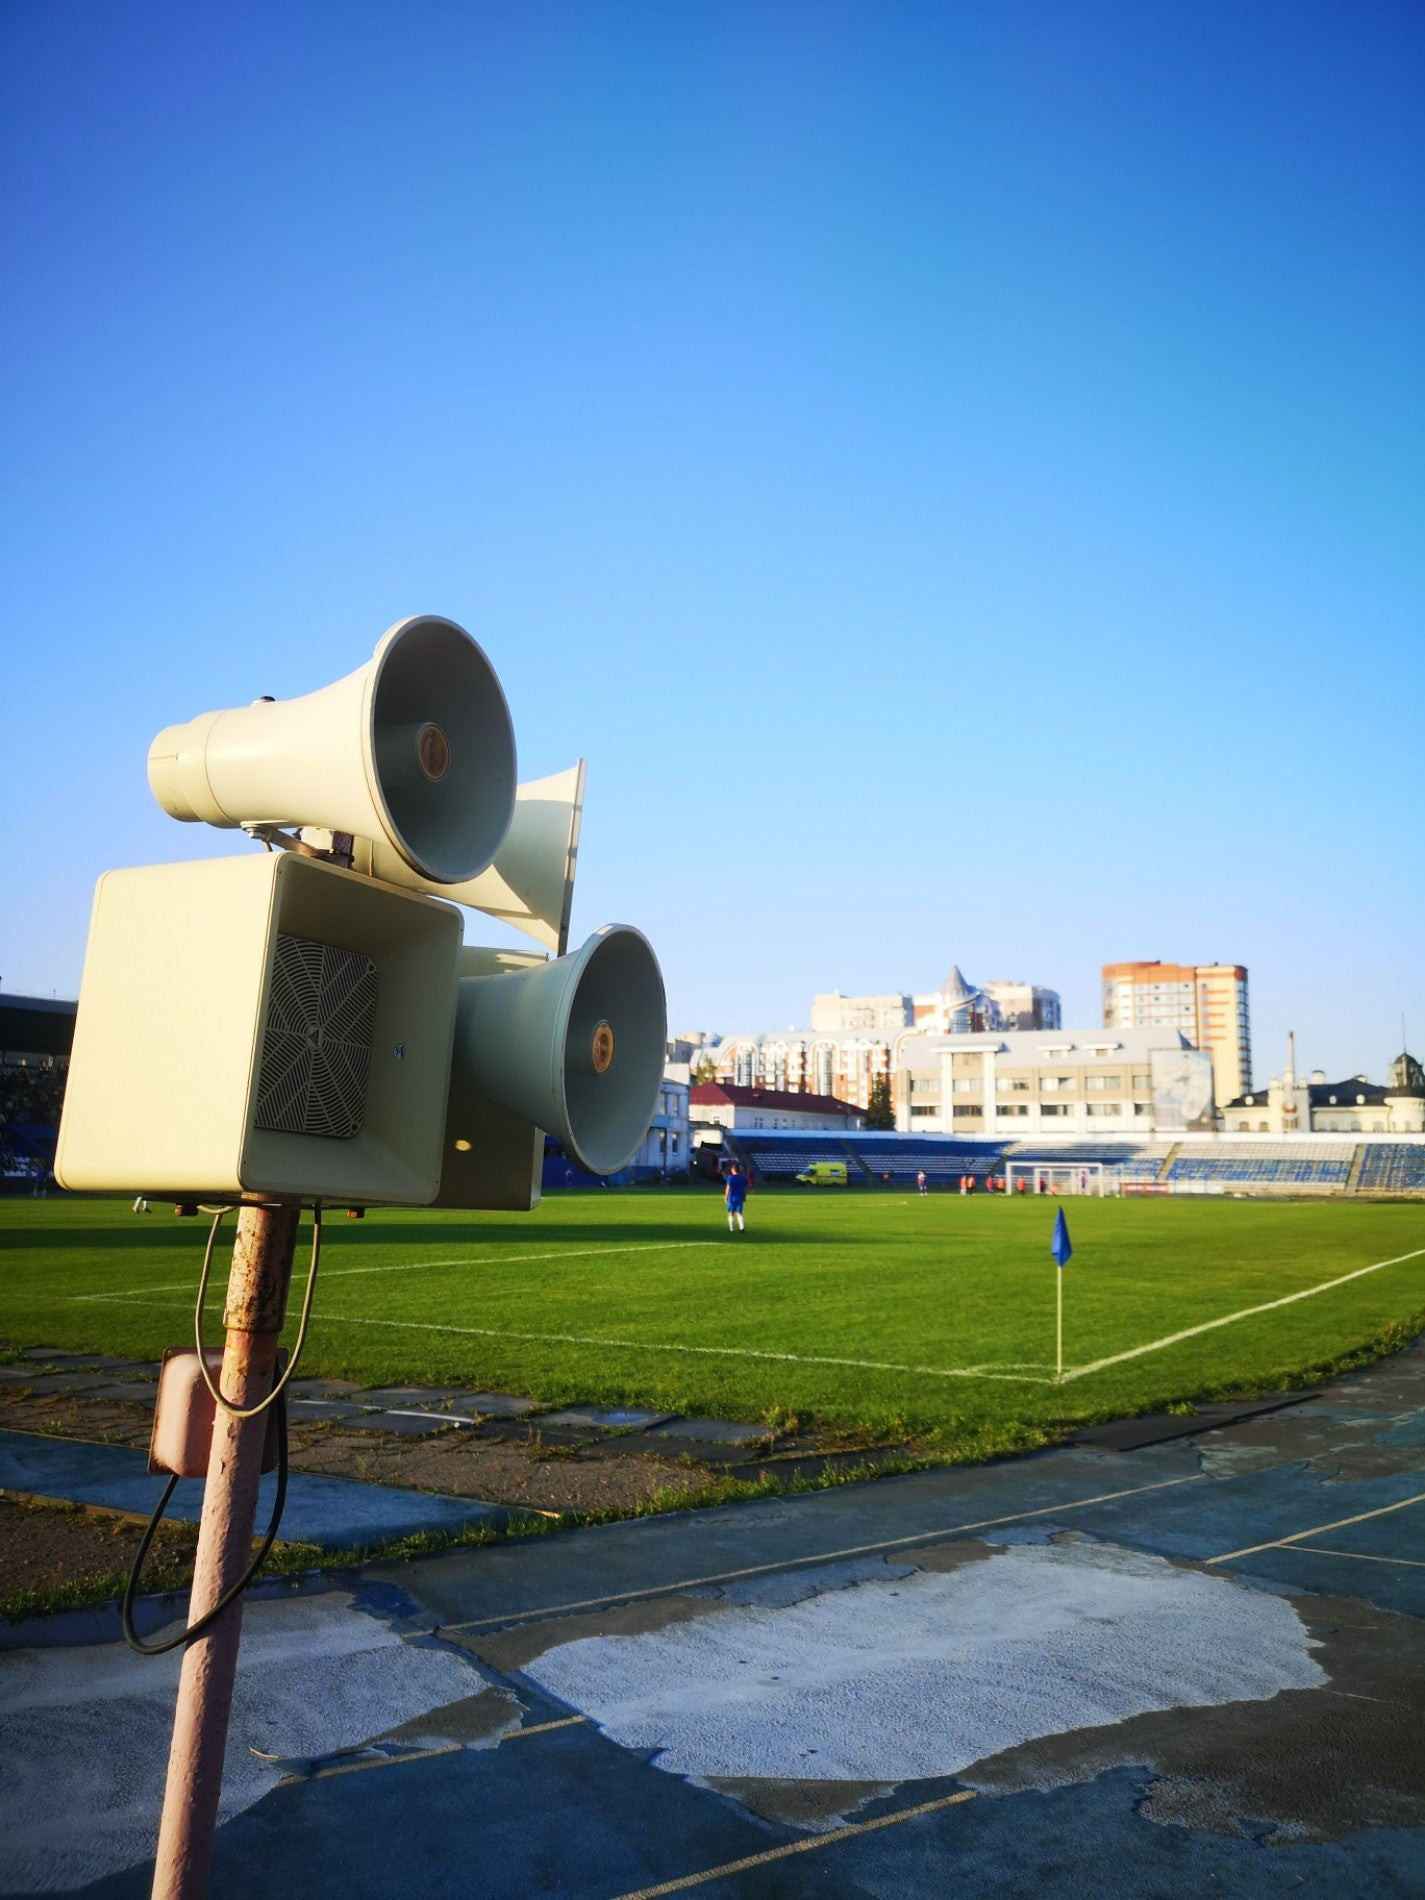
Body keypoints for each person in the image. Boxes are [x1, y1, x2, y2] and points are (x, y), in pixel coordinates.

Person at [724, 1161, 749, 1234]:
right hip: (740, 1197)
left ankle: (731, 1229)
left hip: (731, 1198)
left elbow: (728, 1188)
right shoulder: (742, 1178)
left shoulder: (730, 1178)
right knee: (739, 1213)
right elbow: (744, 1189)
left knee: (730, 1213)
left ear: (733, 1170)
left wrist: (725, 1196)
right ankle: (742, 1228)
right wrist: (744, 1197)